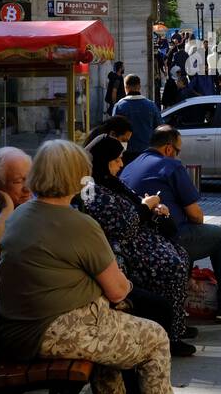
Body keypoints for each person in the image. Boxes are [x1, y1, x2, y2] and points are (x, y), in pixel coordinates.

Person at [0, 140, 184, 394]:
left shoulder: (22, 214)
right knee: (154, 337)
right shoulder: (79, 225)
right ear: (78, 178)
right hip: (54, 332)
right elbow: (118, 290)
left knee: (115, 327)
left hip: (18, 329)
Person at [123, 125, 221, 324]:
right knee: (220, 236)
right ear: (168, 149)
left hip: (137, 238)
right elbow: (196, 215)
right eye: (178, 151)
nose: (177, 156)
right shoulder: (171, 165)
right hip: (168, 237)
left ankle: (181, 300)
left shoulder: (130, 165)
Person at [79, 134, 194, 357]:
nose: (121, 164)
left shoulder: (112, 182)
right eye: (116, 160)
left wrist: (151, 207)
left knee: (179, 256)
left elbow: (131, 208)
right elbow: (121, 225)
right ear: (103, 161)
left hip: (139, 240)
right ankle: (170, 336)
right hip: (123, 249)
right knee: (171, 265)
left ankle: (175, 327)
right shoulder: (91, 190)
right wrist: (146, 207)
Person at [111, 74, 163, 163]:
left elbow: (113, 132)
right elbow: (160, 128)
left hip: (126, 155)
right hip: (147, 154)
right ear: (139, 87)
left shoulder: (119, 106)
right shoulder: (151, 105)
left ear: (126, 87)